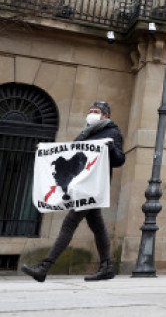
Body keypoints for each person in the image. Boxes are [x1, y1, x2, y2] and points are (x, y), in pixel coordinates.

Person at [21, 101, 126, 282]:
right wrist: (45, 150)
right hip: (80, 185)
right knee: (97, 226)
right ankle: (106, 266)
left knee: (70, 222)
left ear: (105, 116)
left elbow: (119, 160)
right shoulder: (85, 133)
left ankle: (44, 268)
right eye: (90, 110)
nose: (91, 114)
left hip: (92, 187)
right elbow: (70, 153)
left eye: (96, 111)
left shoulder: (113, 133)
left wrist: (111, 149)